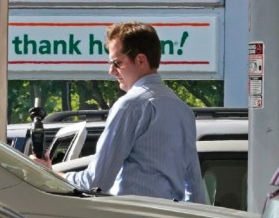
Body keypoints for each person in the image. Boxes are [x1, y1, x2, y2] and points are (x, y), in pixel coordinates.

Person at [35, 21, 206, 203]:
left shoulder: (130, 106)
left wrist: (51, 175)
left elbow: (97, 181)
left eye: (117, 63)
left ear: (141, 60)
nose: (111, 71)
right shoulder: (182, 109)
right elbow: (195, 188)